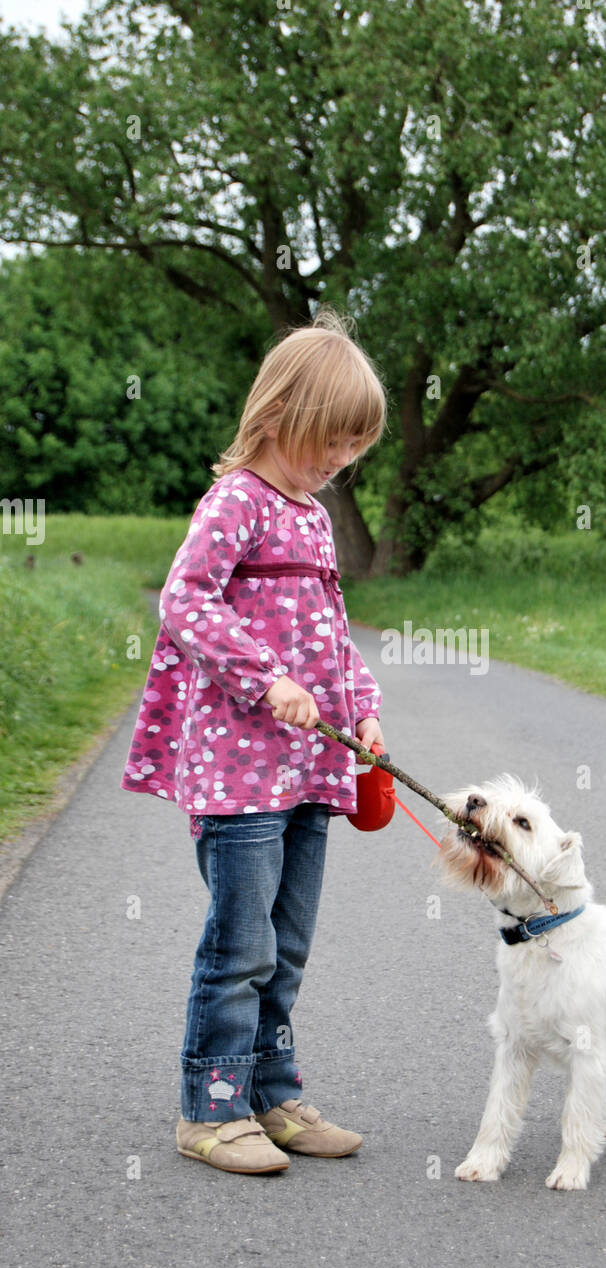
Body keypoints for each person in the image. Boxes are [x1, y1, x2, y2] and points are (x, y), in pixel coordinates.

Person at [121, 306, 387, 1175]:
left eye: (354, 448)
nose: (340, 461)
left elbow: (332, 630)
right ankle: (211, 1108)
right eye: (331, 441)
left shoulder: (310, 514)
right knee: (241, 944)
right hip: (237, 773)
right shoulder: (237, 500)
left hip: (308, 766)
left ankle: (273, 1095)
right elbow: (185, 601)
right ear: (280, 414)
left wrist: (363, 708)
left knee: (289, 941)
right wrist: (264, 677)